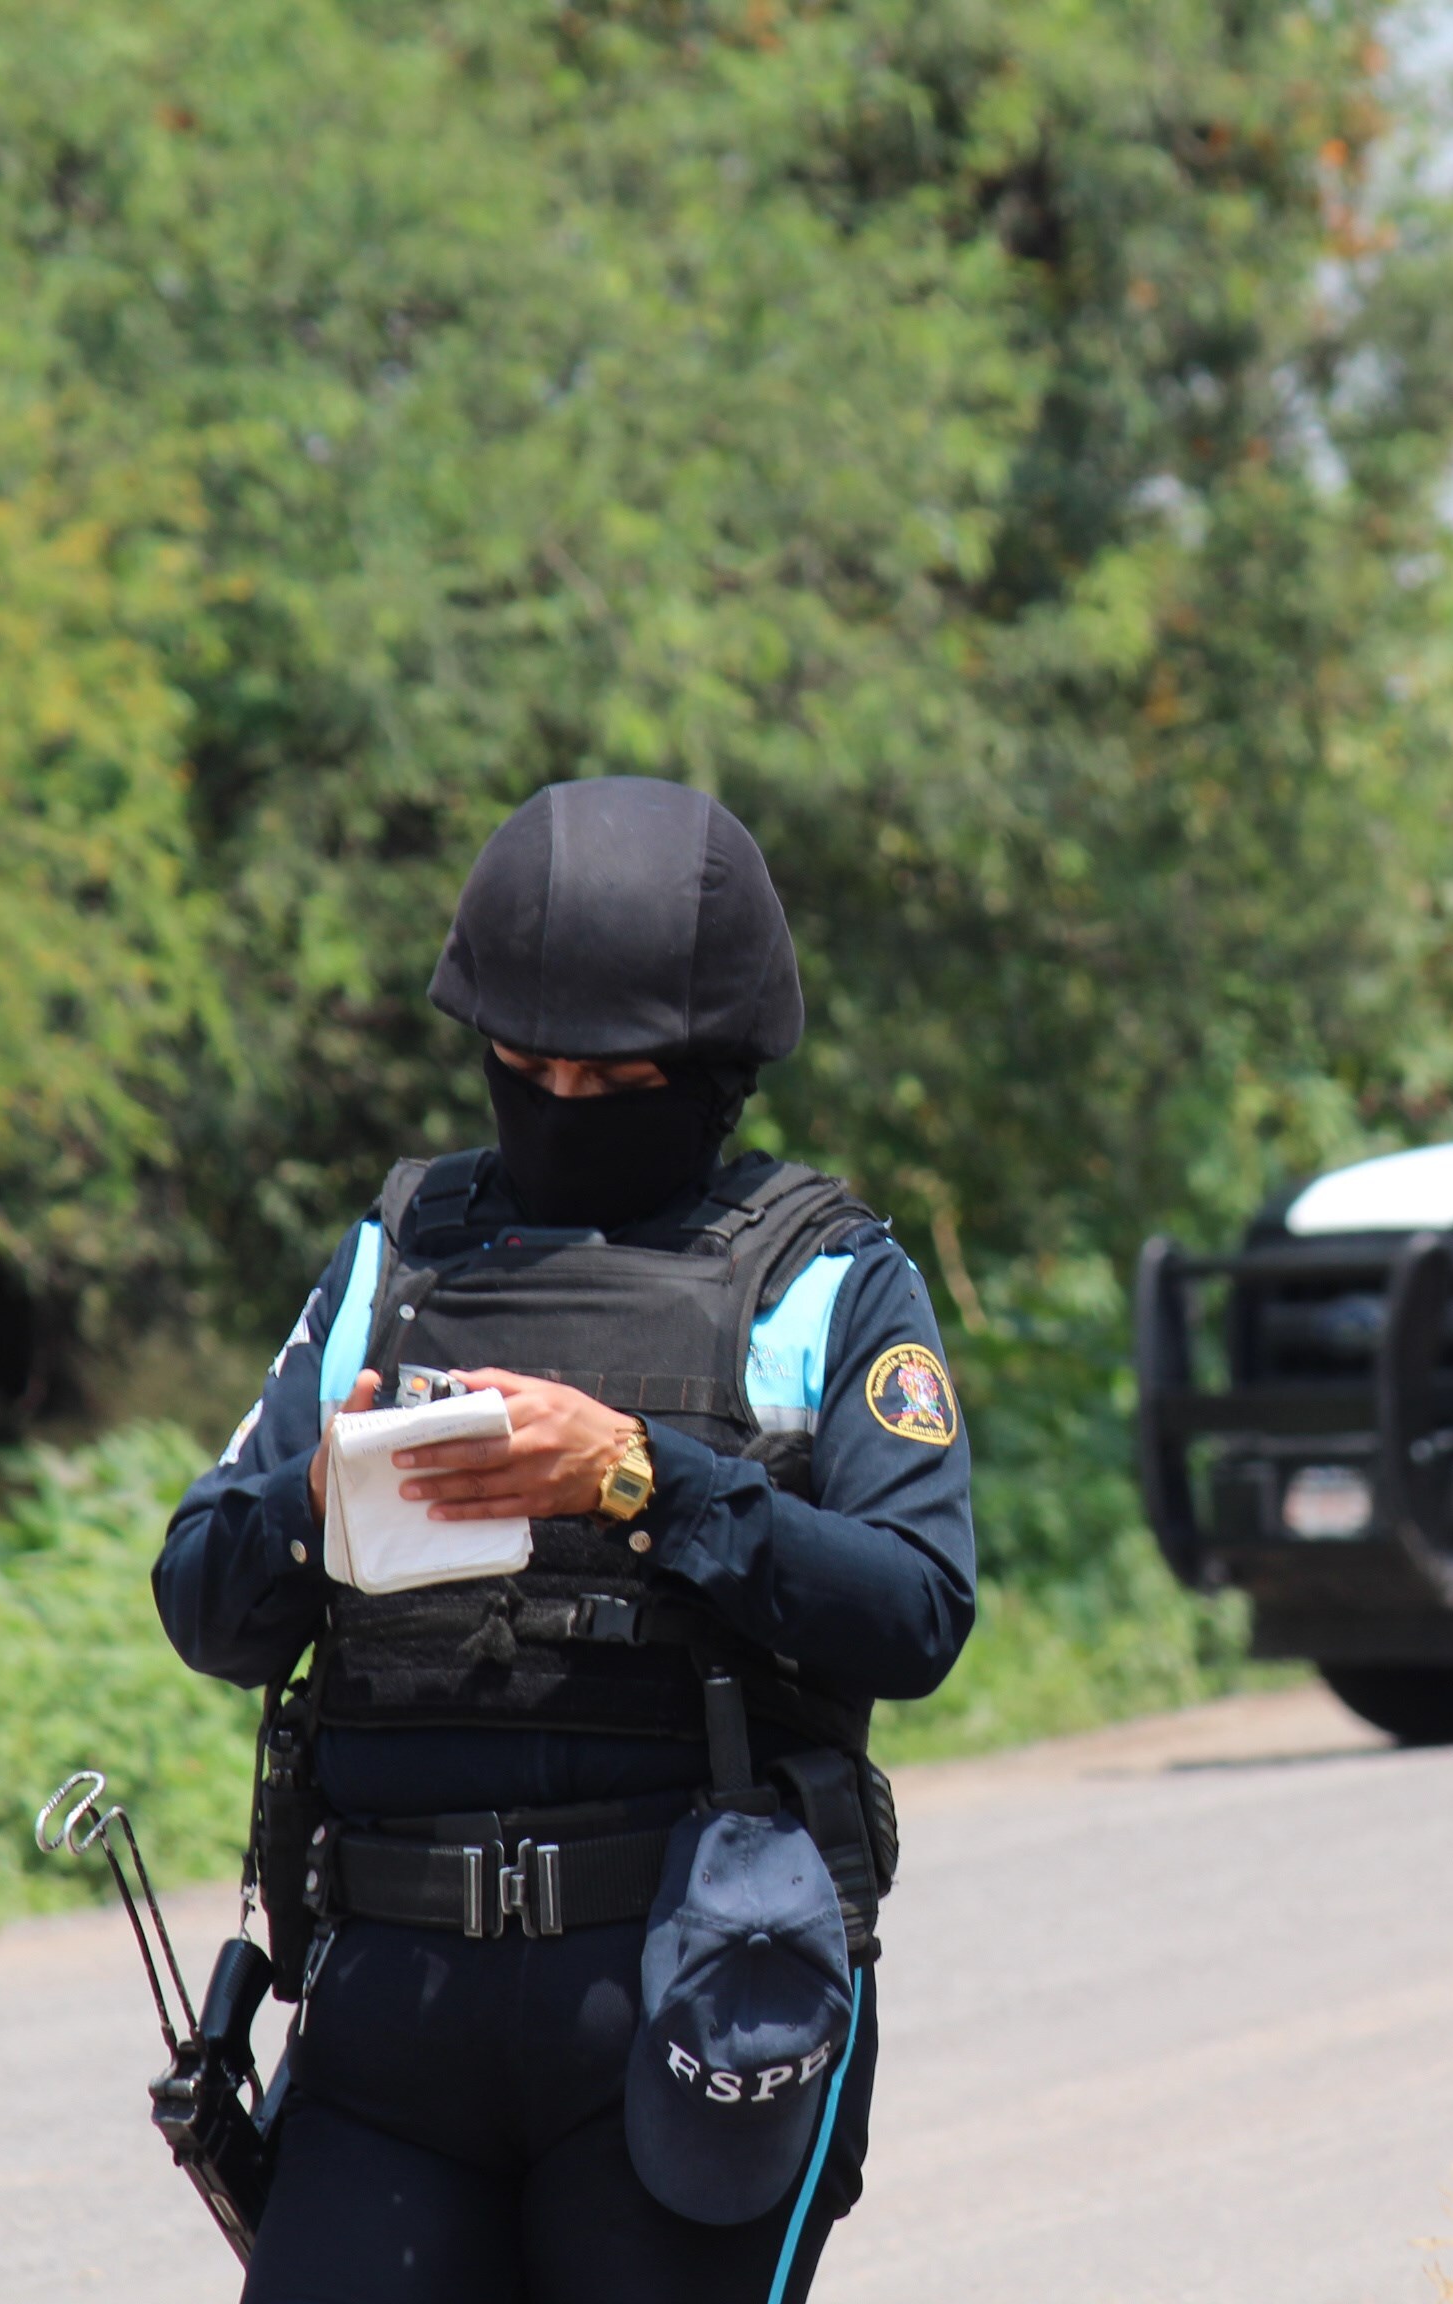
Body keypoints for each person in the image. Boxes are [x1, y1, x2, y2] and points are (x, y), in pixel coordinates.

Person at [155, 777, 975, 2303]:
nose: (560, 1111)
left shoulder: (827, 1285)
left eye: (612, 1084)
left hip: (686, 1990)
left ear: (713, 1071)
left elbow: (916, 1614)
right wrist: (319, 1496)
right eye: (522, 1072)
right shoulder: (392, 1263)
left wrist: (641, 1479)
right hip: (389, 2024)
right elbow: (203, 1598)